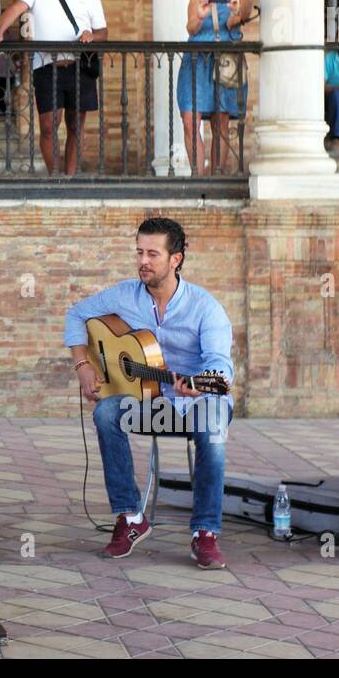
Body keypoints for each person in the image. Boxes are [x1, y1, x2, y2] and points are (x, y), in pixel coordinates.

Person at [63, 217, 235, 569]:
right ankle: (130, 518)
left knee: (213, 426)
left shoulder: (206, 308)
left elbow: (221, 367)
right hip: (147, 400)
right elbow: (76, 314)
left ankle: (205, 533)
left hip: (198, 400)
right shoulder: (124, 295)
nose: (143, 261)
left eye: (153, 254)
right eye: (139, 252)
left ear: (176, 259)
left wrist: (199, 384)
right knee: (105, 413)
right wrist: (83, 365)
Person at [0, 0, 107, 175]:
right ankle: (55, 177)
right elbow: (15, 8)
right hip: (47, 67)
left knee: (75, 128)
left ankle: (68, 179)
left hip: (80, 67)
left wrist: (91, 36)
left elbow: (103, 32)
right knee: (48, 127)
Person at [178, 0, 255, 175]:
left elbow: (235, 23)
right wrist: (201, 15)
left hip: (226, 63)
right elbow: (191, 28)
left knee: (220, 122)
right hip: (196, 61)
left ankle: (216, 178)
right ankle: (198, 179)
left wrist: (234, 10)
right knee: (190, 119)